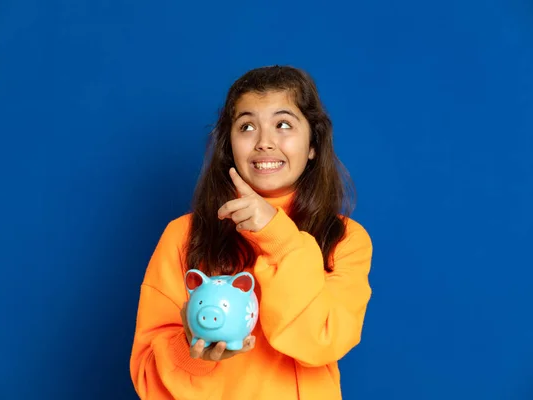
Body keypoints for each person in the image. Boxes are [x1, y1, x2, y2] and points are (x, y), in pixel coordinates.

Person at [129, 65, 373, 400]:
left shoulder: (345, 239)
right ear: (229, 145)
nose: (264, 143)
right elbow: (146, 377)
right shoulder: (183, 236)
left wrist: (277, 235)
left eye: (283, 124)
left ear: (313, 143)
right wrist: (191, 349)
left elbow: (321, 342)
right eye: (247, 127)